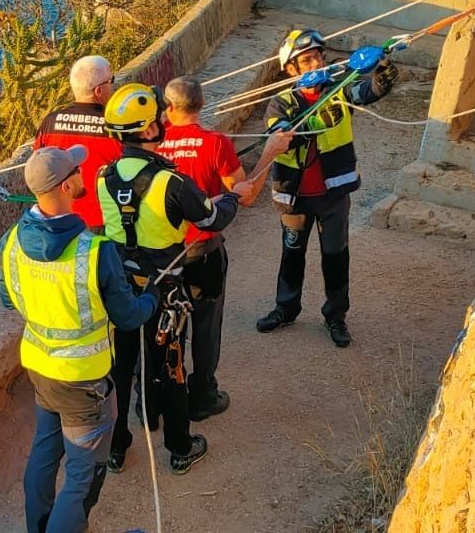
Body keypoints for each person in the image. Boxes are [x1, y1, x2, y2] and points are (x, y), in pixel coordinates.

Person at [0, 145, 158, 533]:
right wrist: (152, 294)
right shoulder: (95, 251)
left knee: (44, 453)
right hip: (84, 379)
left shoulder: (11, 241)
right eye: (78, 171)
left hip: (40, 366)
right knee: (83, 476)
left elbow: (8, 298)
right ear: (68, 186)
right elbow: (128, 317)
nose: (84, 174)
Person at [96, 83, 239, 476]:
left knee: (121, 368)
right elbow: (212, 218)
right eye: (158, 119)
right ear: (146, 131)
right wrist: (232, 197)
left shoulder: (103, 177)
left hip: (122, 287)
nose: (163, 122)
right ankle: (179, 446)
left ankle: (116, 447)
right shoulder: (169, 182)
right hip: (164, 287)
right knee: (170, 366)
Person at [158, 77, 292, 420]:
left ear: (168, 109)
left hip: (162, 255)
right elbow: (244, 195)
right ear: (202, 106)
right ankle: (203, 395)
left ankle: (159, 399)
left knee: (165, 326)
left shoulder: (152, 144)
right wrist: (269, 152)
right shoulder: (215, 143)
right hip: (203, 251)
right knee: (205, 324)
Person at [256, 29, 399, 348]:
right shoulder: (280, 103)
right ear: (291, 69)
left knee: (336, 257)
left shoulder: (340, 90)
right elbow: (281, 137)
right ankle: (286, 308)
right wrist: (315, 122)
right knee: (292, 255)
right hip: (294, 197)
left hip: (333, 194)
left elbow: (371, 90)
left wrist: (383, 66)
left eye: (319, 56)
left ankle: (336, 315)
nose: (316, 63)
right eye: (307, 60)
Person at [35, 55, 124, 230]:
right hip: (104, 219)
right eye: (111, 81)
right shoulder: (116, 126)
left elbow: (39, 166)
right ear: (98, 91)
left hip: (60, 218)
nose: (113, 86)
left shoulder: (50, 122)